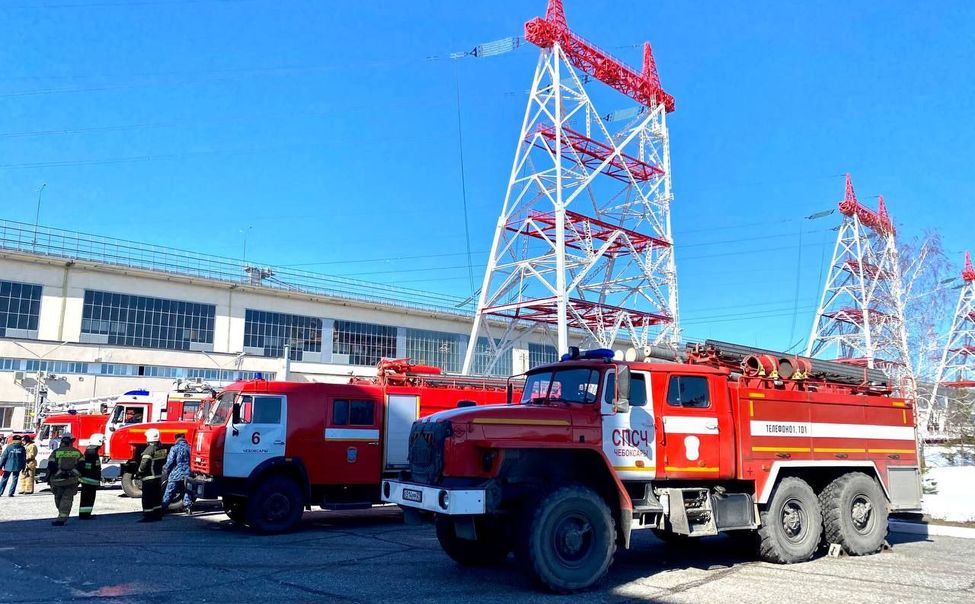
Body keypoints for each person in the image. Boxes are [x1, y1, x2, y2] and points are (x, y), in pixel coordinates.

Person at [49, 435, 82, 526]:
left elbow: (51, 465)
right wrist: (72, 473)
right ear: (70, 443)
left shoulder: (56, 452)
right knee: (67, 499)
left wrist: (60, 473)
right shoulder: (76, 452)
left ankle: (61, 518)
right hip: (71, 480)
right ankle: (62, 515)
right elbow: (82, 465)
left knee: (58, 499)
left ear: (62, 443)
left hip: (57, 480)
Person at [136, 428, 168, 522]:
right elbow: (163, 461)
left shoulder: (149, 449)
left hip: (149, 478)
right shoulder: (161, 448)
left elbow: (144, 463)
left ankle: (148, 516)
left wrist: (139, 471)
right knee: (156, 497)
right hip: (158, 477)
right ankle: (157, 515)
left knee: (147, 498)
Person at [162, 432, 195, 515]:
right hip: (187, 472)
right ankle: (188, 507)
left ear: (176, 439)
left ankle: (164, 507)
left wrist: (165, 470)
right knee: (187, 490)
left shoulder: (174, 448)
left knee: (170, 490)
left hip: (176, 473)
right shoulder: (189, 448)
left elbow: (170, 462)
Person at [78, 434, 104, 519]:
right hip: (90, 480)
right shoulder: (92, 452)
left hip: (88, 479)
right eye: (102, 441)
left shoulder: (90, 450)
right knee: (88, 498)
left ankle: (85, 514)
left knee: (86, 498)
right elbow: (89, 466)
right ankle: (85, 515)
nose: (103, 443)